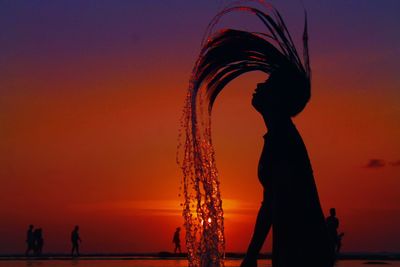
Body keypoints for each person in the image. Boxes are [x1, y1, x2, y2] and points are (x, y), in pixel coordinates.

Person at [181, 3, 335, 266]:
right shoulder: (278, 136)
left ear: (278, 98)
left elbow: (275, 203)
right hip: (296, 248)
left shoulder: (284, 140)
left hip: (304, 251)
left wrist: (252, 254)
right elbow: (270, 202)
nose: (259, 85)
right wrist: (252, 253)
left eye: (268, 84)